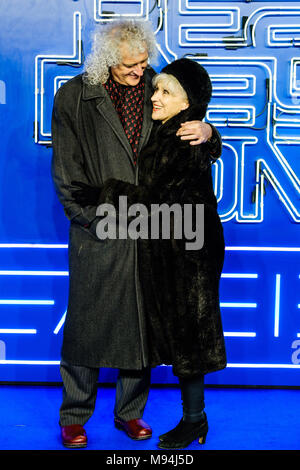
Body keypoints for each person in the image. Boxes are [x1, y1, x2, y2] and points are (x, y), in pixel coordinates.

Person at [51, 19, 222, 449]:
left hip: (152, 230)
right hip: (100, 224)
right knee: (87, 323)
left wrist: (210, 131)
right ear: (108, 61)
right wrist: (88, 217)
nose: (140, 72)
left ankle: (130, 413)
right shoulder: (74, 97)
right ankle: (74, 415)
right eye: (130, 65)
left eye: (145, 61)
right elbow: (67, 171)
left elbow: (188, 121)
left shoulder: (155, 87)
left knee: (139, 327)